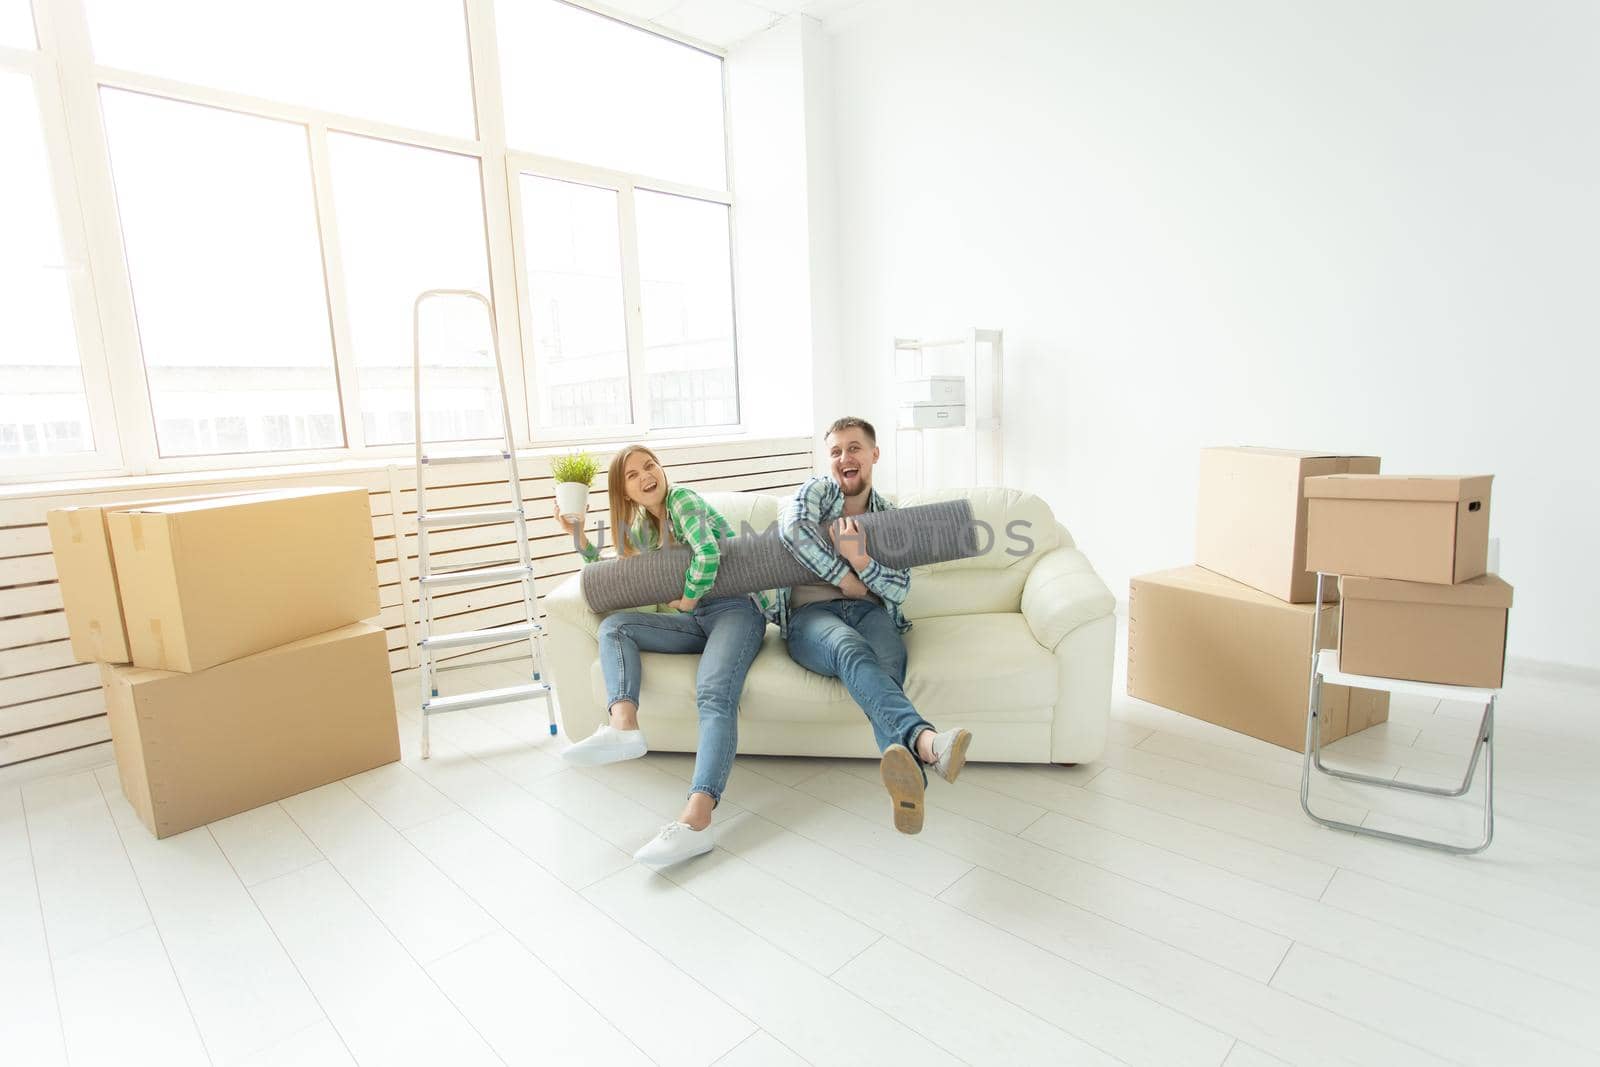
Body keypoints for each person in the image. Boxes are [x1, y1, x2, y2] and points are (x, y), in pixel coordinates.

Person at [555, 444, 772, 867]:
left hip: (735, 608)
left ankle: (697, 821)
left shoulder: (682, 500)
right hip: (697, 617)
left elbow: (708, 553)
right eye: (632, 476)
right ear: (627, 493)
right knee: (615, 626)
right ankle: (623, 726)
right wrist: (578, 535)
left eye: (649, 466)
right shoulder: (647, 529)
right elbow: (614, 569)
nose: (645, 476)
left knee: (712, 693)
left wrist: (689, 598)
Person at [777, 416, 971, 834]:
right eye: (835, 451)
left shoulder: (888, 515)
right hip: (812, 618)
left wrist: (861, 558)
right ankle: (926, 742)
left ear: (874, 455)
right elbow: (792, 531)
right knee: (849, 649)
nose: (844, 457)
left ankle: (910, 783)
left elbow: (900, 588)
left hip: (870, 612)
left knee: (888, 663)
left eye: (853, 448)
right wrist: (846, 577)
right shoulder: (816, 492)